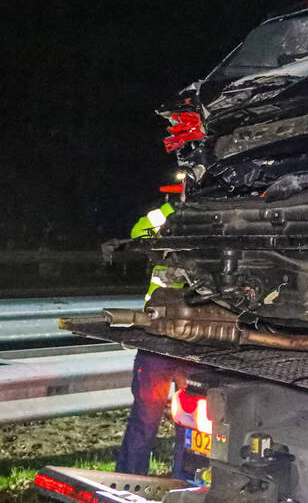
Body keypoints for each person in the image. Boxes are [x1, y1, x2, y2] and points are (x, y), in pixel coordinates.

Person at [115, 202, 194, 478]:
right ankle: (173, 481)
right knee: (171, 421)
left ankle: (135, 479)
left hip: (171, 343)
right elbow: (140, 231)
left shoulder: (185, 215)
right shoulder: (176, 213)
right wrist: (174, 211)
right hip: (176, 343)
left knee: (167, 421)